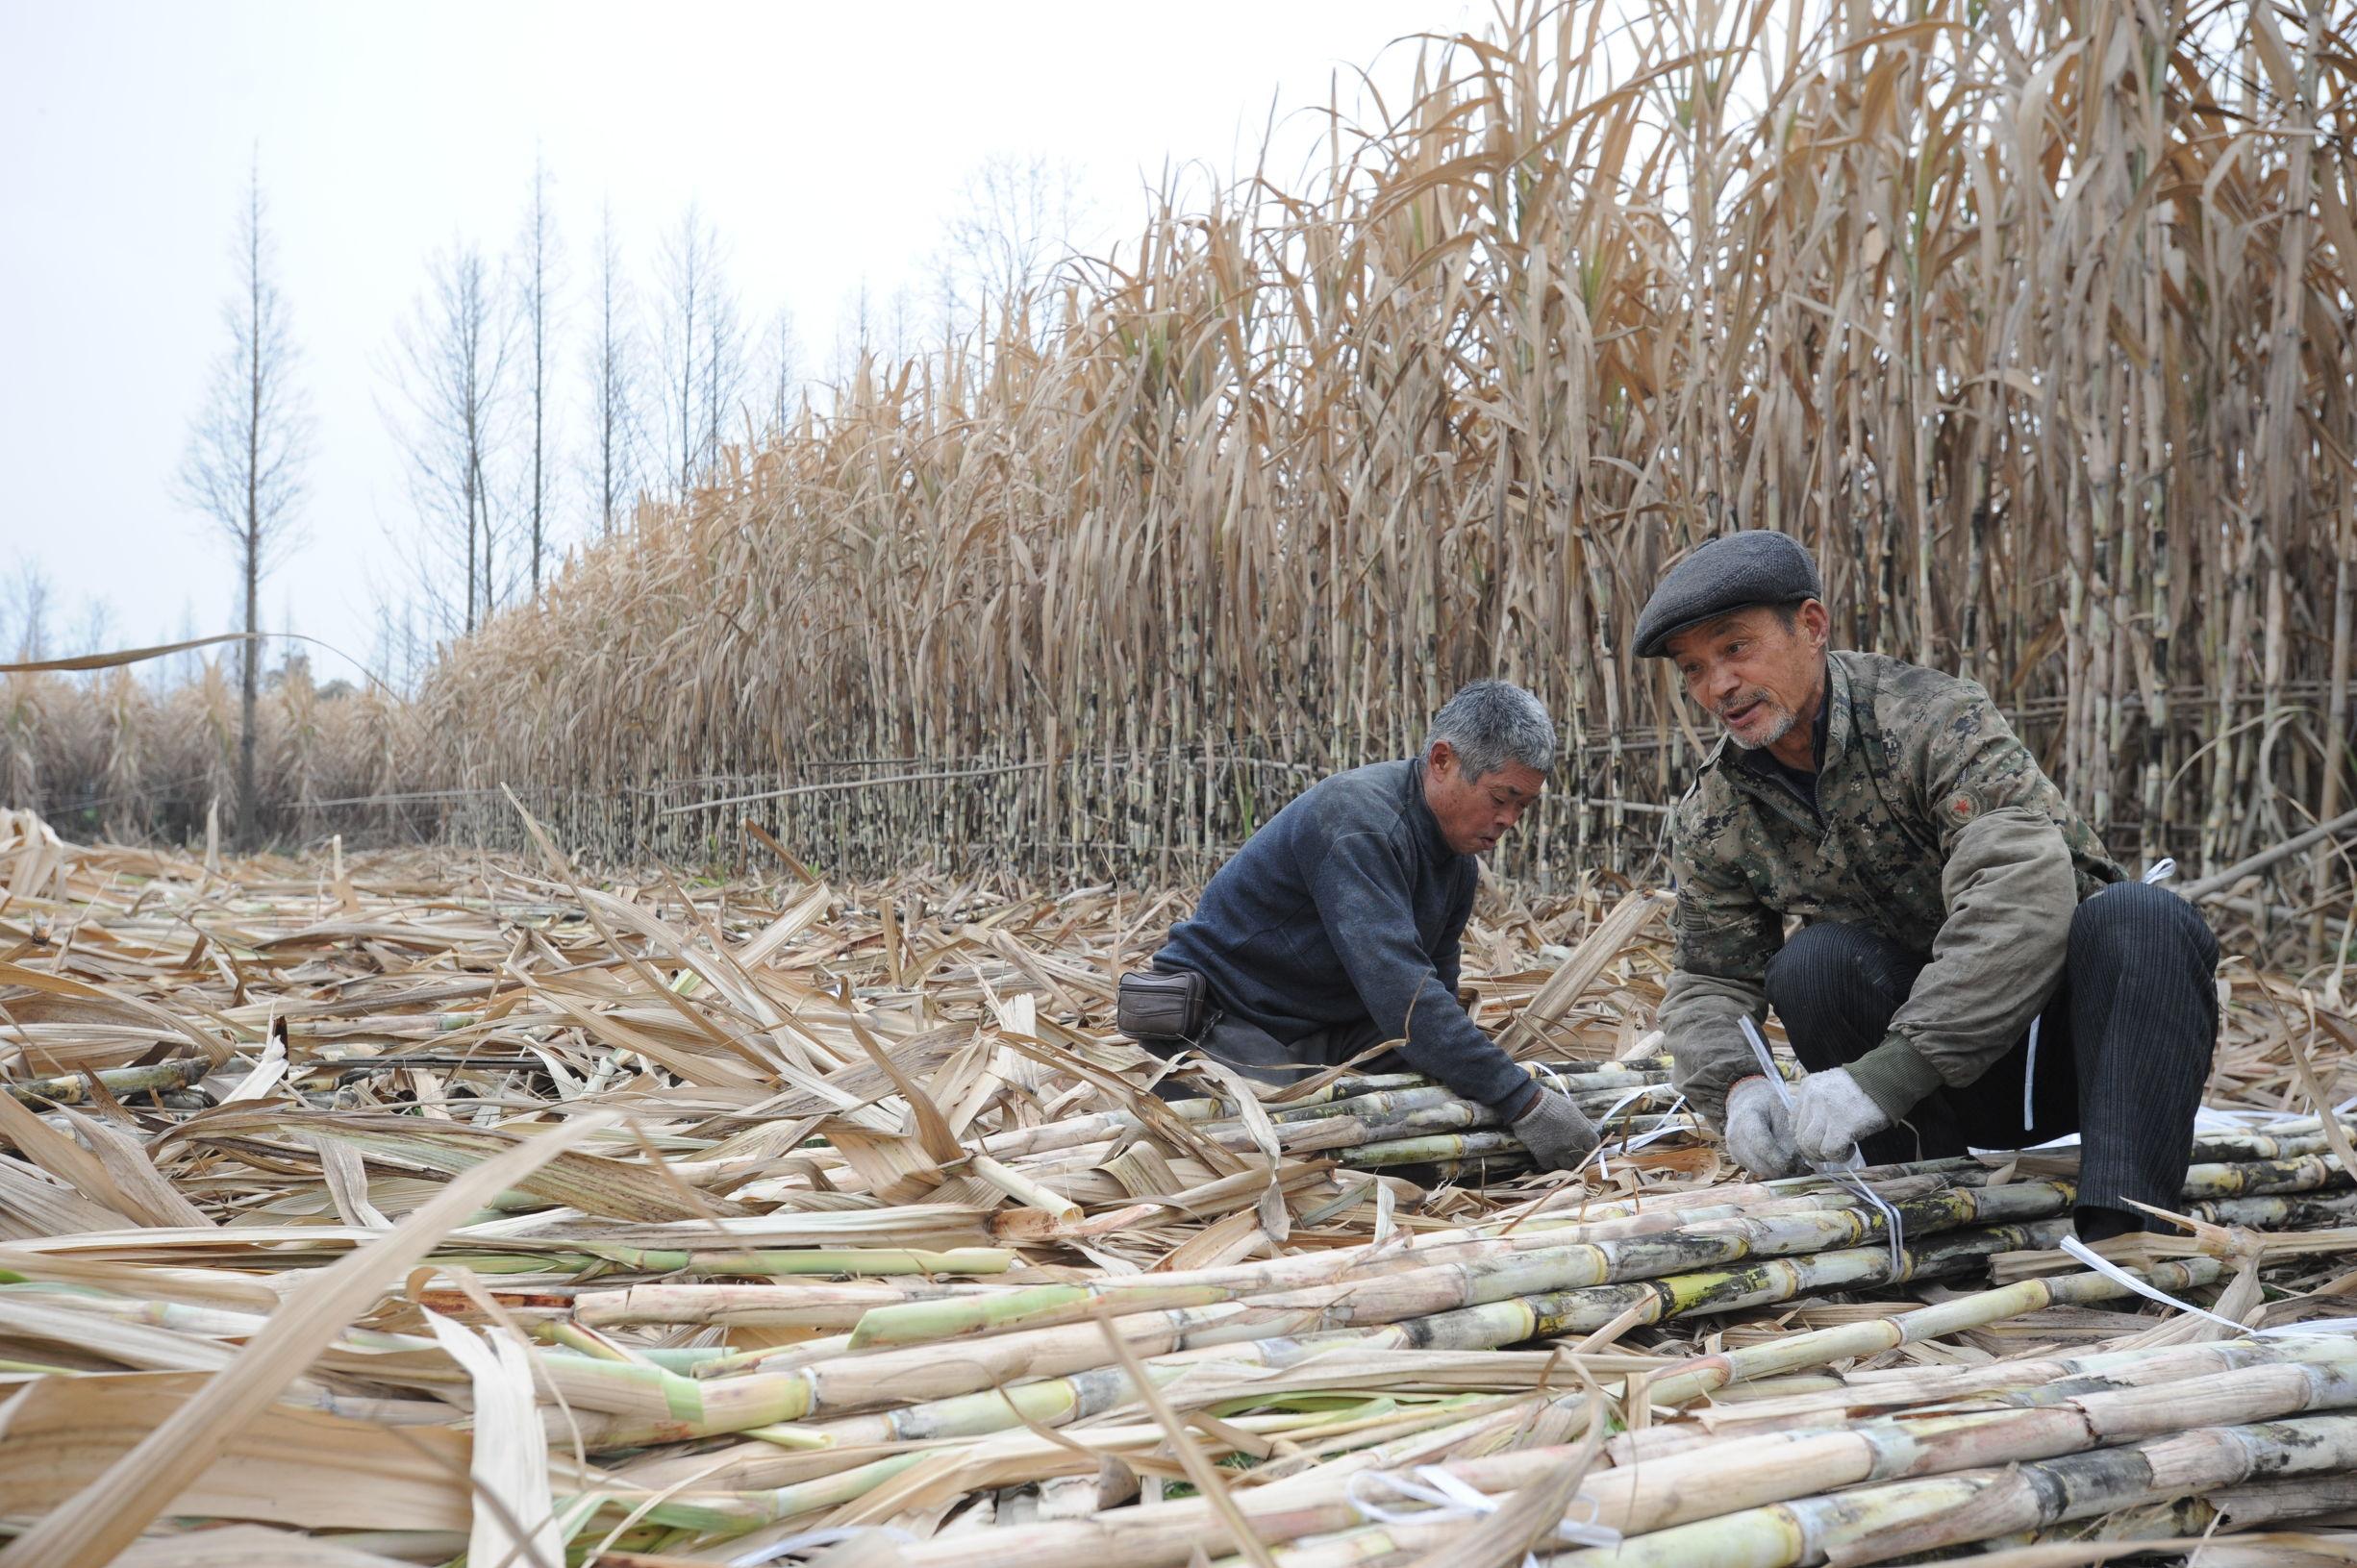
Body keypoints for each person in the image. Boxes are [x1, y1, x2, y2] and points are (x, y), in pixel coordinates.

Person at [1636, 531, 2219, 1241]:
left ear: (1812, 626)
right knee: (1814, 963)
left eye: (1734, 648)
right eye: (1692, 668)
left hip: (2076, 1056)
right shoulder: (1715, 811)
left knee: (2142, 918)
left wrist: (1882, 1075)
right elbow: (1707, 976)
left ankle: (2124, 1240)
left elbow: (2020, 900)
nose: (1716, 686)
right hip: (1935, 1096)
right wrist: (1736, 1086)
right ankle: (1930, 1226)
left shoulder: (1932, 721)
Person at [1136, 681, 1600, 1172]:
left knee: (1445, 1123)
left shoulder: (1456, 857)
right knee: (1306, 1156)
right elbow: (1404, 997)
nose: (1509, 820)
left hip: (1325, 1024)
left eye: (1523, 806)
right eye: (1501, 798)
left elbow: (1435, 988)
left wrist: (1492, 1088)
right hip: (1225, 1021)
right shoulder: (1357, 822)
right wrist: (1525, 1102)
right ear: (1442, 761)